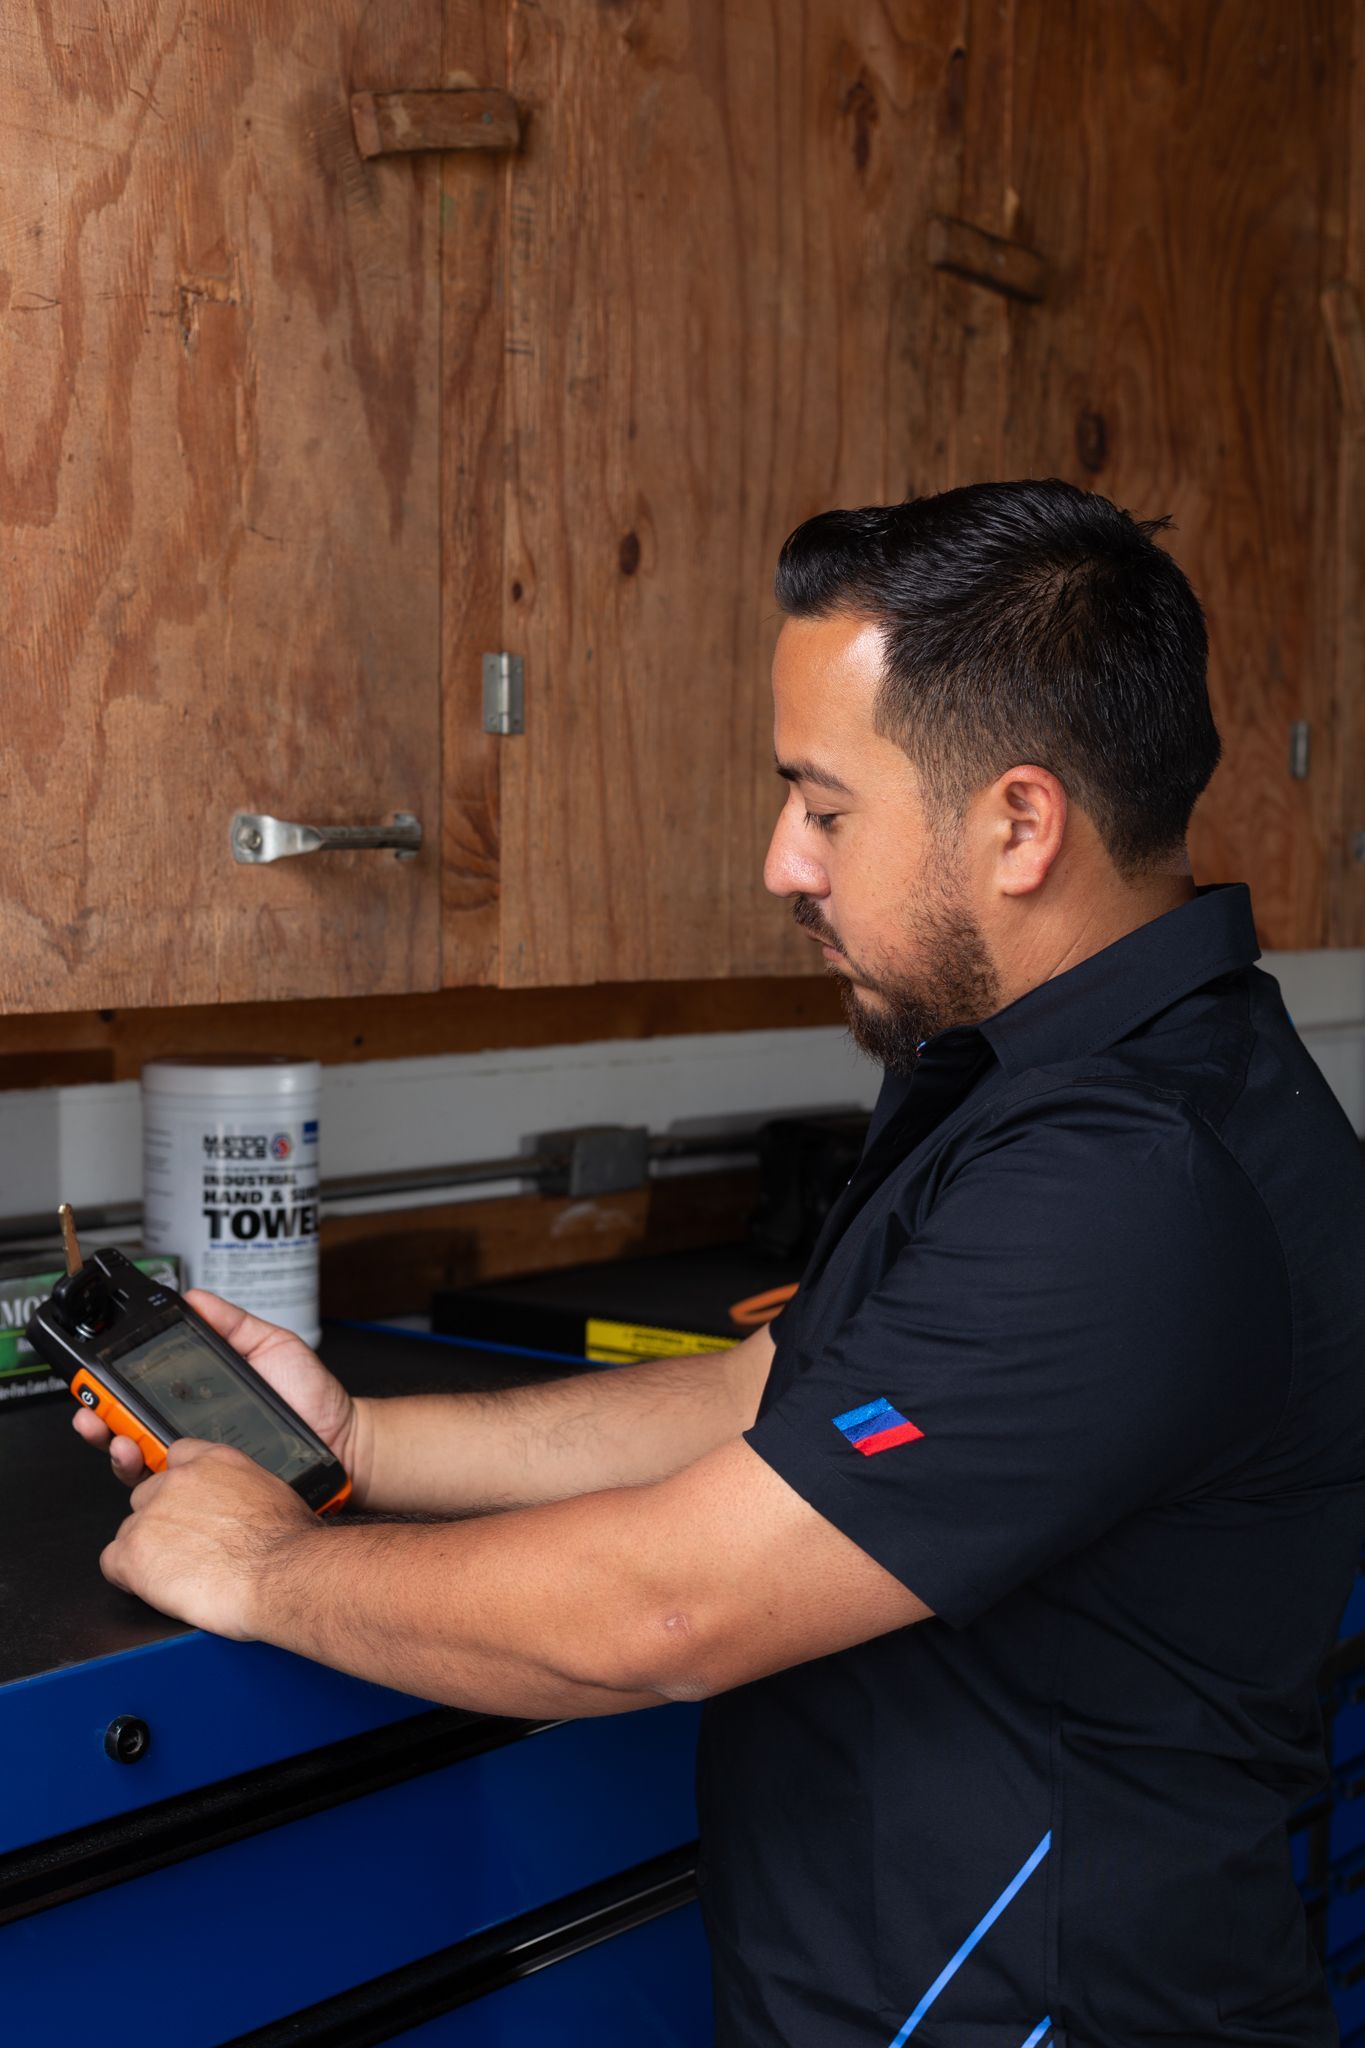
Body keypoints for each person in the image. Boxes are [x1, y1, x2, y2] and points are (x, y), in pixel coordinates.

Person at [79, 481, 1365, 2047]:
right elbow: (787, 1387)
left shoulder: (1131, 1177)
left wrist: (265, 1566)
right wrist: (359, 1442)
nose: (782, 862)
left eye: (824, 807)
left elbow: (666, 1614)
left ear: (1019, 823)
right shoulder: (1041, 1069)